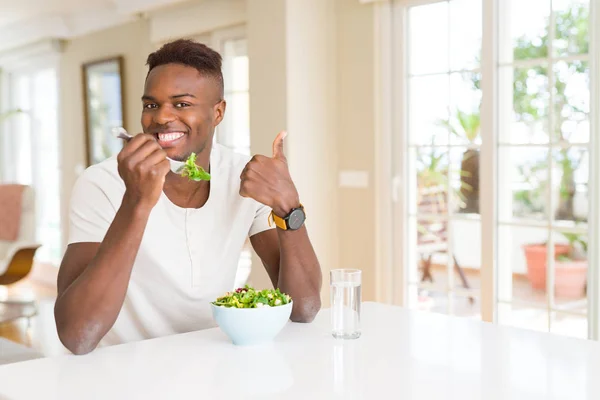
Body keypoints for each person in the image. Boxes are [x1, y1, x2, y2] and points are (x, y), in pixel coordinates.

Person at [54, 39, 322, 355]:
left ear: (218, 112)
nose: (162, 117)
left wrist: (289, 206)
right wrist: (137, 202)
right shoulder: (102, 183)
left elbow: (304, 309)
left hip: (212, 364)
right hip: (124, 372)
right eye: (151, 105)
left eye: (181, 104)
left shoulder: (242, 176)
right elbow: (77, 336)